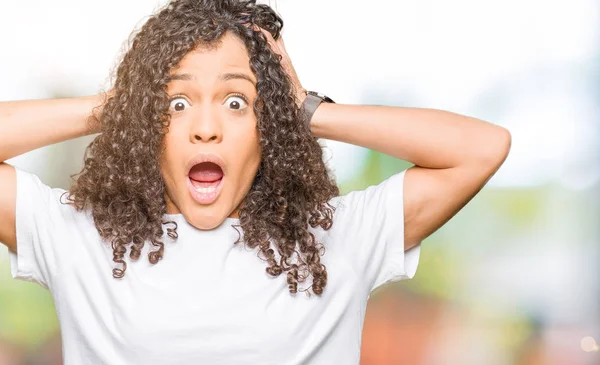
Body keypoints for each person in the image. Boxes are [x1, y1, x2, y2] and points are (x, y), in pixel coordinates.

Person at [0, 0, 511, 364]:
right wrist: (120, 105)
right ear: (147, 129)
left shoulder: (334, 239)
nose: (206, 126)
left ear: (266, 128)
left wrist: (306, 110)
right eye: (176, 105)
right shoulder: (80, 236)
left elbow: (481, 148)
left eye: (236, 102)